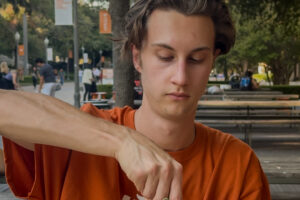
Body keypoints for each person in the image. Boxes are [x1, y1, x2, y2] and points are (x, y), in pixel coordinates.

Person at [0, 1, 270, 199]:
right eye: (165, 56)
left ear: (212, 61)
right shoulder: (78, 139)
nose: (180, 76)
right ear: (137, 57)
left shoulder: (236, 164)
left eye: (196, 59)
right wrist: (121, 141)